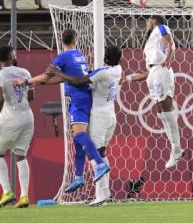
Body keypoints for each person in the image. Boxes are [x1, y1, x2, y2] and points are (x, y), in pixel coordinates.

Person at [13, 29, 109, 193]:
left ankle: (100, 164)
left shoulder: (62, 57)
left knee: (79, 135)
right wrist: (43, 82)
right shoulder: (79, 55)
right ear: (75, 40)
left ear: (60, 40)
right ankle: (79, 177)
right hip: (85, 97)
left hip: (78, 99)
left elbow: (45, 75)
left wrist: (26, 81)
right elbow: (57, 78)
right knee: (77, 139)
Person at [47, 45, 122, 206]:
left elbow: (78, 81)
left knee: (94, 154)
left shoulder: (103, 72)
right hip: (111, 115)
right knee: (101, 151)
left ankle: (101, 195)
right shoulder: (118, 70)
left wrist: (58, 72)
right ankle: (105, 193)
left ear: (106, 57)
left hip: (100, 116)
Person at [121, 15, 184, 169]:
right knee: (161, 113)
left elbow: (172, 45)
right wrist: (127, 79)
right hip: (154, 72)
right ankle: (175, 149)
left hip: (161, 70)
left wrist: (169, 59)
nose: (146, 24)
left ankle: (176, 149)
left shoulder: (161, 28)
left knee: (166, 109)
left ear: (154, 21)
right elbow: (146, 73)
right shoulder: (151, 43)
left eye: (148, 21)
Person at [0, 46, 34, 208]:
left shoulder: (1, 74)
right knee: (21, 156)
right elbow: (32, 96)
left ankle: (7, 192)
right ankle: (25, 196)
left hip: (10, 115)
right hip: (27, 116)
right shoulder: (26, 72)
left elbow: (1, 98)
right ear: (12, 56)